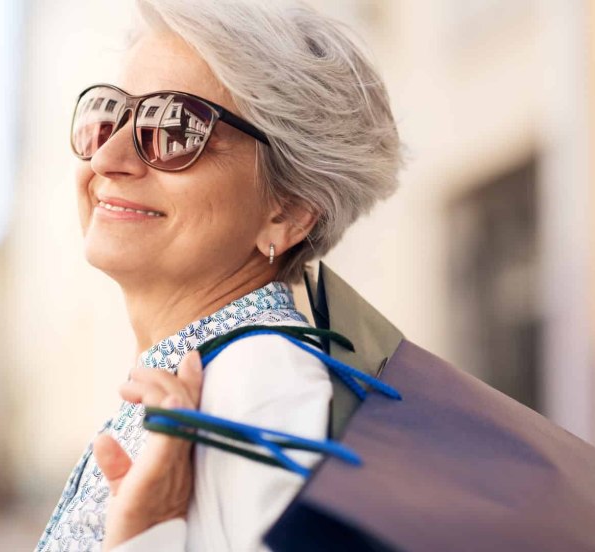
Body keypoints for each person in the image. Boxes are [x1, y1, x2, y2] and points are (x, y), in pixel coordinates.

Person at [35, 0, 401, 550]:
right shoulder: (210, 379)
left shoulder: (262, 390)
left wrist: (147, 537)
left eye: (175, 129)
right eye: (108, 115)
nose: (108, 157)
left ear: (289, 209)